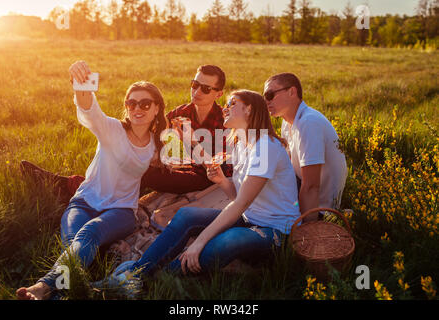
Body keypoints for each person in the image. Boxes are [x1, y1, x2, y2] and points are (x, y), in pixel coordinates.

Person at [99, 90, 301, 288]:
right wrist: (222, 181)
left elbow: (240, 203)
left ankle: (149, 282)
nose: (225, 109)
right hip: (250, 220)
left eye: (232, 104)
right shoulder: (241, 144)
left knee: (225, 242)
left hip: (275, 231)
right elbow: (239, 198)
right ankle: (138, 272)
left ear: (249, 109)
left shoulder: (265, 147)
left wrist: (199, 242)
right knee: (186, 215)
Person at [16, 61, 167, 300]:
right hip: (84, 203)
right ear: (126, 107)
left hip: (121, 211)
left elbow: (184, 160)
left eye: (145, 103)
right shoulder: (112, 130)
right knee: (75, 246)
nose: (138, 108)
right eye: (131, 103)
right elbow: (90, 110)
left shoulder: (158, 145)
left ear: (157, 108)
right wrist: (81, 84)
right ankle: (61, 295)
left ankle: (43, 287)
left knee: (89, 233)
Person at [20, 65, 231, 204]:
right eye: (194, 85)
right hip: (179, 170)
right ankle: (74, 185)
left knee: (143, 172)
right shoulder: (178, 114)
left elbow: (227, 166)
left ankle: (68, 186)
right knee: (135, 160)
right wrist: (160, 155)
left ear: (219, 94)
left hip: (206, 178)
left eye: (205, 89)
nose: (196, 92)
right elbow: (164, 145)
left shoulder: (226, 121)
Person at [263, 73, 347, 222]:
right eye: (264, 97)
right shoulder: (288, 122)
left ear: (292, 92)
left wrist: (306, 230)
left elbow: (311, 186)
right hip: (304, 195)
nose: (266, 101)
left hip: (320, 208)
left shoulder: (309, 122)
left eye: (270, 94)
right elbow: (287, 169)